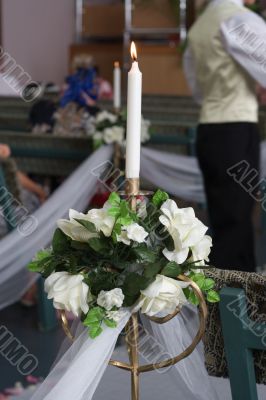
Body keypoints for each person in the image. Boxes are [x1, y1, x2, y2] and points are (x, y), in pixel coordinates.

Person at [183, 0, 266, 272]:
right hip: (235, 129)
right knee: (237, 221)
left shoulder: (198, 27)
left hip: (209, 130)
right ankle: (238, 305)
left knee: (224, 220)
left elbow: (197, 90)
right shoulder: (238, 19)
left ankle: (225, 303)